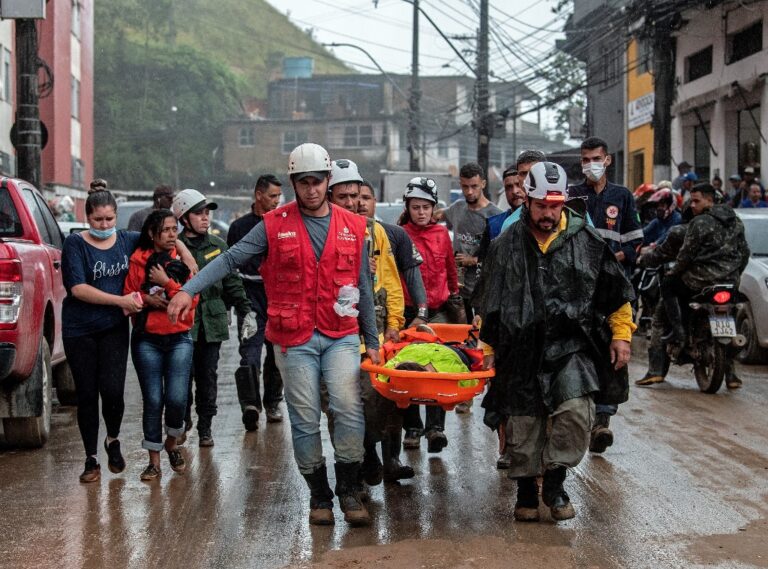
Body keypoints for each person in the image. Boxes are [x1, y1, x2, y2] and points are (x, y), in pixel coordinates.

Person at [167, 143, 379, 527]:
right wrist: (187, 290)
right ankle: (319, 494)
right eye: (303, 182)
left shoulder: (353, 225)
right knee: (303, 417)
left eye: (317, 181)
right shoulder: (274, 224)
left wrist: (374, 342)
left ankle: (349, 488)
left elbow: (362, 283)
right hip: (293, 336)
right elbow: (230, 259)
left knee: (348, 408)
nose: (311, 189)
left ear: (328, 181)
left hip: (340, 333)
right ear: (293, 182)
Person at [476, 161, 635, 522]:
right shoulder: (505, 245)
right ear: (527, 201)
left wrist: (621, 335)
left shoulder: (586, 240)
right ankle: (526, 490)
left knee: (577, 412)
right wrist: (488, 350)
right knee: (523, 422)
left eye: (555, 206)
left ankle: (556, 482)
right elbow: (490, 303)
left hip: (571, 346)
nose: (548, 214)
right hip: (520, 348)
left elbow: (615, 292)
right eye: (541, 206)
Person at [60, 181, 194, 483]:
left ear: (116, 216)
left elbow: (160, 235)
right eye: (98, 220)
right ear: (87, 216)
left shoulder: (125, 239)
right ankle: (91, 459)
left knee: (112, 393)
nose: (104, 225)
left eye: (109, 219)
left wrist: (179, 244)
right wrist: (121, 301)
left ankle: (113, 439)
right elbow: (78, 289)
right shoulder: (75, 244)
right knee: (86, 394)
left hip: (113, 329)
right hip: (79, 329)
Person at [326, 159, 406, 488]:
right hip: (333, 334)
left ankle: (370, 451)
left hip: (371, 335)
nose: (353, 203)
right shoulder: (319, 230)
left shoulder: (375, 232)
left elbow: (389, 280)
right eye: (344, 196)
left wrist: (394, 322)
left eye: (357, 195)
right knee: (340, 408)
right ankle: (352, 475)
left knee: (377, 402)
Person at [567, 137, 642, 453]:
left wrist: (615, 259)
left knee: (613, 350)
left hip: (612, 289)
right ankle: (581, 415)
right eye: (585, 159)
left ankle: (603, 422)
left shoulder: (622, 197)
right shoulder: (572, 195)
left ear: (608, 160)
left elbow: (634, 243)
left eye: (596, 158)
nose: (591, 164)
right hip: (577, 289)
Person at [173, 189, 254, 448]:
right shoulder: (174, 250)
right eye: (199, 213)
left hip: (212, 324)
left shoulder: (218, 246)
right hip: (184, 325)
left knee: (208, 377)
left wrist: (246, 309)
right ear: (184, 218)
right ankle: (183, 421)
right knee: (183, 377)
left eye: (207, 213)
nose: (205, 218)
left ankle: (205, 428)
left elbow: (232, 282)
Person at [358, 179, 426, 481]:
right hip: (349, 336)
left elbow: (396, 284)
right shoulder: (337, 234)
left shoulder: (391, 235)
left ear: (376, 201)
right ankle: (368, 456)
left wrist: (398, 323)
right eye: (352, 197)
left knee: (394, 395)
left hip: (386, 335)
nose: (359, 203)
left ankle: (392, 459)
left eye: (366, 197)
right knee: (360, 402)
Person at [124, 209, 199, 480]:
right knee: (153, 399)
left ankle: (171, 443)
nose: (171, 235)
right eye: (165, 230)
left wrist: (166, 284)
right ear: (151, 234)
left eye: (174, 230)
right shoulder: (138, 260)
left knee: (177, 399)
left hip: (179, 338)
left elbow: (193, 299)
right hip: (147, 340)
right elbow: (129, 296)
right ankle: (153, 461)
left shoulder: (183, 261)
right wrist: (147, 300)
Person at [660, 183, 750, 388]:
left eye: (696, 200)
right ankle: (731, 374)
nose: (692, 205)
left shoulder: (699, 223)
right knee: (731, 313)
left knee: (668, 285)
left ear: (710, 200)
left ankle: (678, 332)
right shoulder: (736, 221)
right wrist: (735, 274)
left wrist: (674, 272)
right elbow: (745, 253)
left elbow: (685, 255)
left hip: (700, 282)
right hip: (729, 282)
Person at [398, 177, 460, 452]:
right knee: (407, 368)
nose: (421, 212)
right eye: (415, 207)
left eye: (426, 207)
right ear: (408, 207)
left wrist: (457, 301)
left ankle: (435, 428)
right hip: (408, 314)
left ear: (433, 208)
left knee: (439, 367)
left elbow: (450, 270)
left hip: (438, 314)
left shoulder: (441, 235)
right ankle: (412, 427)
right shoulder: (398, 234)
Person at [227, 174, 285, 430]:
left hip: (277, 297)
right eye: (272, 196)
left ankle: (273, 402)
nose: (276, 201)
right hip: (249, 298)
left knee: (277, 352)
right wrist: (234, 301)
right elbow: (229, 267)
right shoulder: (239, 227)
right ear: (258, 194)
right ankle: (250, 405)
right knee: (249, 351)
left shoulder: (282, 223)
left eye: (278, 197)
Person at [437, 162, 502, 324]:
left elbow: (501, 256)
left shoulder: (495, 216)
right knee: (459, 336)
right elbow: (437, 216)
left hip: (483, 290)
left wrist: (472, 260)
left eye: (474, 186)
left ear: (483, 184)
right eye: (465, 187)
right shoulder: (458, 208)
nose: (469, 192)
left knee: (481, 334)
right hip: (457, 289)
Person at [635, 219, 690, 386]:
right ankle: (730, 374)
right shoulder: (730, 225)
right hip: (720, 282)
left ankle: (655, 371)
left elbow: (662, 254)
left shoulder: (680, 231)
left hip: (687, 284)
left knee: (658, 320)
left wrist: (642, 260)